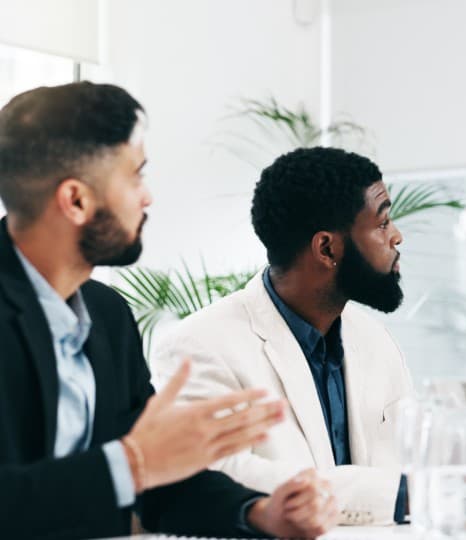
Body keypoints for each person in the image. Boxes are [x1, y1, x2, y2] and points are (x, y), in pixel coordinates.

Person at [0, 82, 339, 538]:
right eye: (135, 175)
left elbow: (159, 483)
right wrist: (131, 464)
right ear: (76, 200)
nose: (147, 197)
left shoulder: (106, 315)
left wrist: (261, 513)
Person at [152, 147, 413, 525]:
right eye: (382, 222)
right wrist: (398, 495)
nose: (397, 236)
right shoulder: (198, 346)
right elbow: (221, 476)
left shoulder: (376, 339)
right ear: (327, 248)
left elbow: (415, 459)